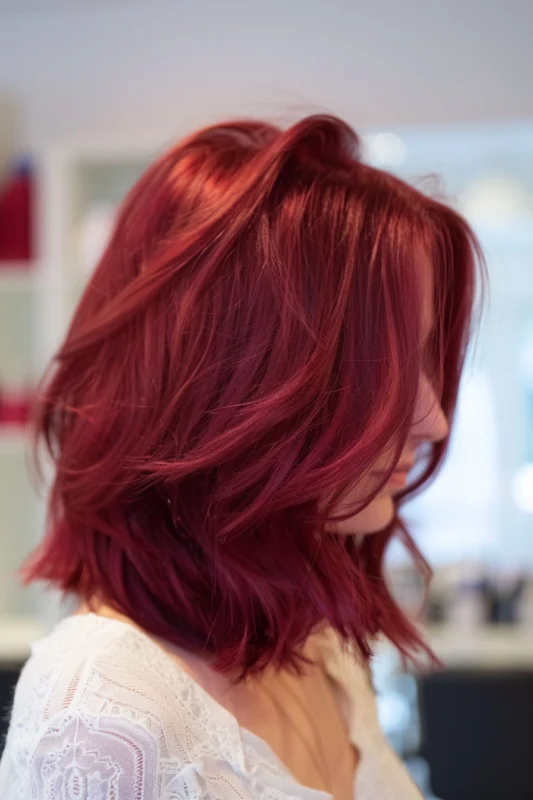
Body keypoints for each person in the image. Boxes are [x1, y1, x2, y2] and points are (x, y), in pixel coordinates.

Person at [0, 114, 482, 799]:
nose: (433, 420)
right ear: (240, 388)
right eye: (391, 369)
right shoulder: (103, 716)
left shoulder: (312, 640)